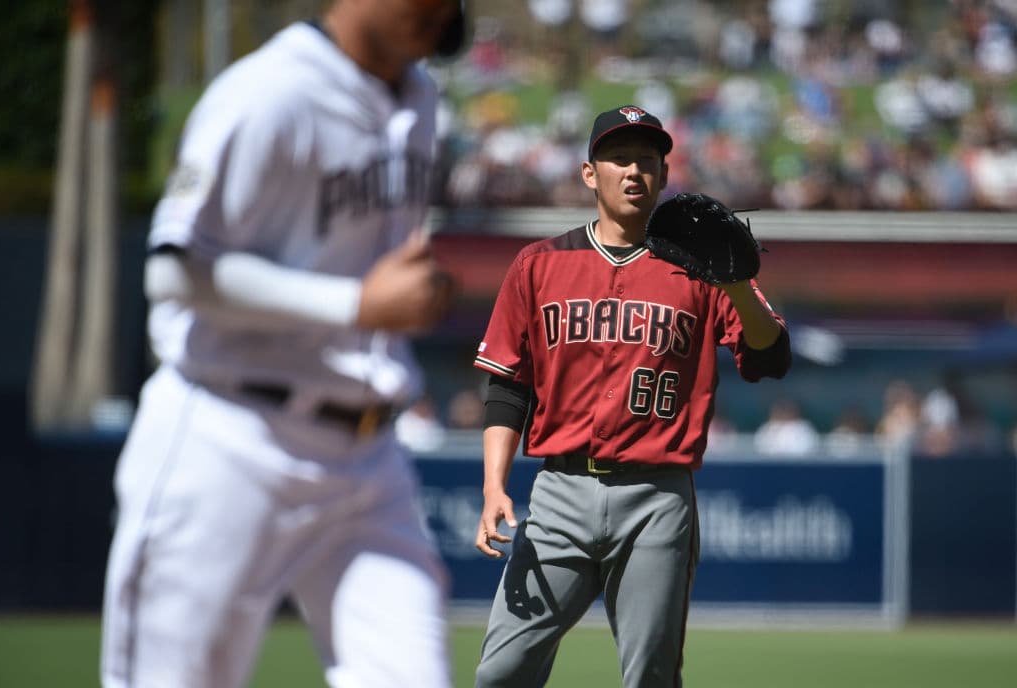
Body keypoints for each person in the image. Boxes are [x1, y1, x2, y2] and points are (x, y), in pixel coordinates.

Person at [99, 2, 465, 687]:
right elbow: (173, 267)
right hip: (230, 438)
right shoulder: (267, 93)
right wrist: (355, 304)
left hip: (368, 458)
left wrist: (405, 297)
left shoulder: (420, 96)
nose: (443, 7)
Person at [470, 105, 792, 687]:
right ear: (590, 173)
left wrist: (738, 285)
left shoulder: (701, 268)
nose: (634, 171)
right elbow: (509, 384)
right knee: (501, 673)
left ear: (665, 177)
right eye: (618, 159)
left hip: (656, 496)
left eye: (648, 160)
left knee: (649, 677)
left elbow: (770, 357)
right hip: (559, 494)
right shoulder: (540, 264)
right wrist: (494, 484)